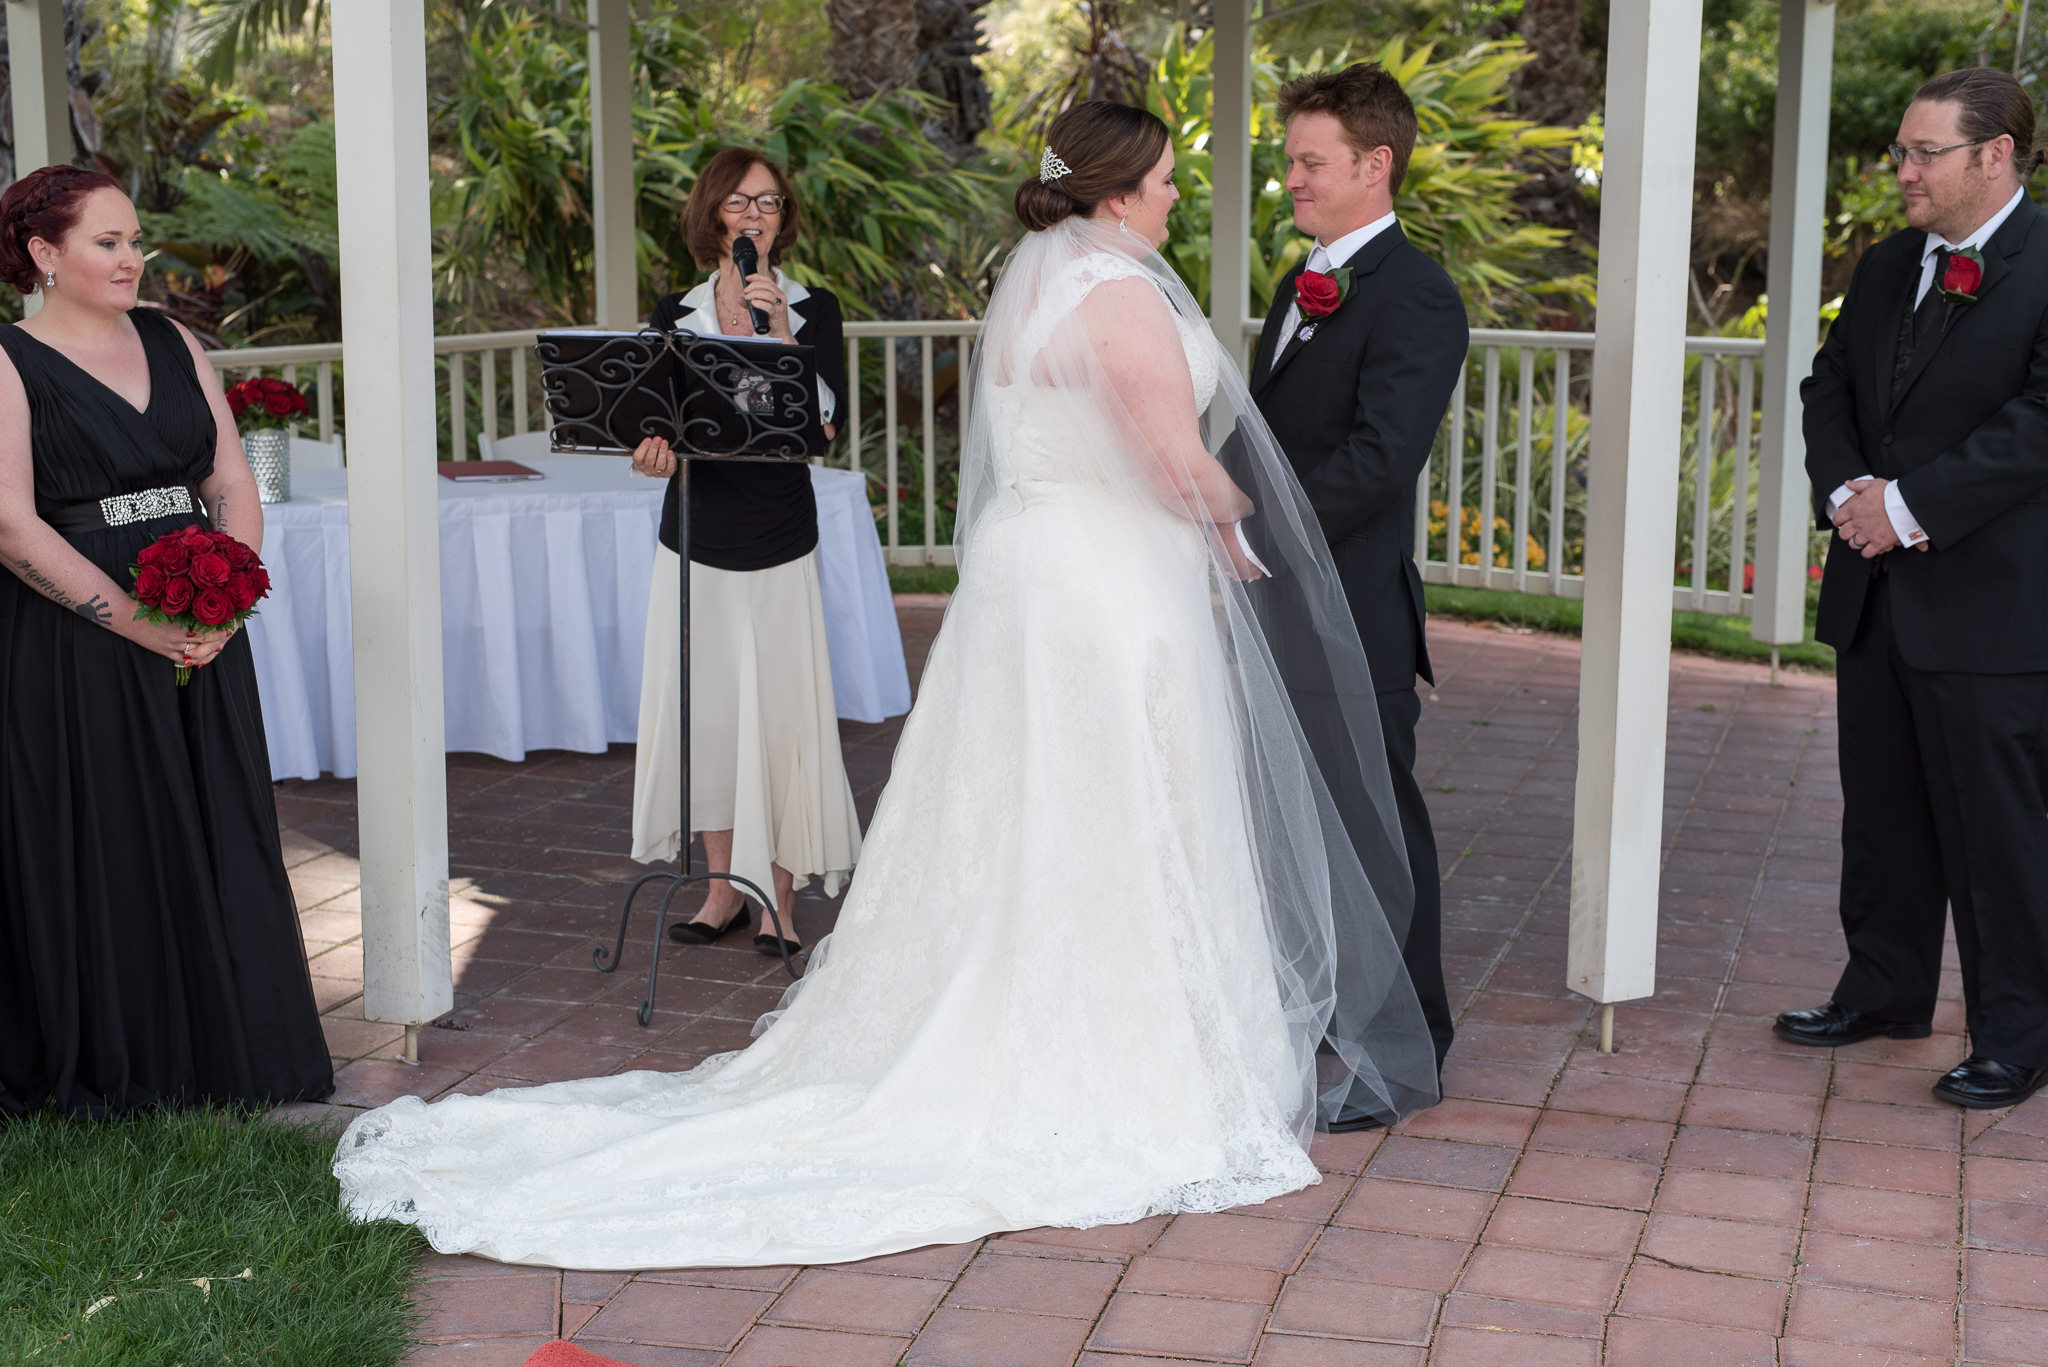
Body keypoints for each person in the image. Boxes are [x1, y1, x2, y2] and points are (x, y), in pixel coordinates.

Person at [333, 101, 1437, 1270]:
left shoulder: (1042, 286)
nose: (1174, 196)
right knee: (1107, 809)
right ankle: (1111, 1043)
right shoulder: (1116, 294)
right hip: (1104, 593)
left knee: (1020, 809)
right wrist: (1264, 530)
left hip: (1033, 580)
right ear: (1115, 193)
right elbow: (1175, 468)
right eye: (1164, 179)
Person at [0, 166, 332, 1116]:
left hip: (204, 633)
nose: (132, 257)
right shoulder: (9, 362)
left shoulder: (175, 340)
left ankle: (237, 1056)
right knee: (112, 837)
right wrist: (145, 623)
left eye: (134, 239)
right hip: (77, 643)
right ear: (43, 255)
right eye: (107, 242)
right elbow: (13, 523)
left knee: (218, 827)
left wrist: (224, 600)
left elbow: (229, 478)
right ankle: (130, 1064)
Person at [1776, 68, 2048, 1111]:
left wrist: (1912, 503)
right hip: (1874, 589)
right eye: (1898, 151)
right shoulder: (1889, 263)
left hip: (1991, 604)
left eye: (1920, 153)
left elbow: (2037, 418)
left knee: (1997, 828)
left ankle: (2013, 1032)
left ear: (1993, 156)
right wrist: (1848, 488)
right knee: (1880, 809)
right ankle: (1883, 986)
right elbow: (1828, 383)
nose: (1900, 171)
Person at [1247, 64, 1470, 1128]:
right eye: (1290, 160)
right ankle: (1331, 1013)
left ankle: (1407, 1042)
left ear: (1373, 167)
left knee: (1376, 831)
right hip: (1281, 604)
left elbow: (1378, 461)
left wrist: (1245, 530)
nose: (1288, 179)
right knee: (1303, 825)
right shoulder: (1300, 287)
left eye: (1307, 162)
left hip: (1352, 613)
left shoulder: (1417, 293)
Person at [625, 147, 861, 957]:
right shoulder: (673, 314)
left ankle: (781, 899)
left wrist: (784, 331)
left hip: (779, 535)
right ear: (711, 216)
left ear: (783, 215)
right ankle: (723, 888)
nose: (753, 214)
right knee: (711, 711)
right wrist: (652, 448)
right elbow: (655, 422)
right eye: (736, 202)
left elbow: (824, 429)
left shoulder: (813, 307)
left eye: (766, 201)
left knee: (783, 715)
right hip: (694, 537)